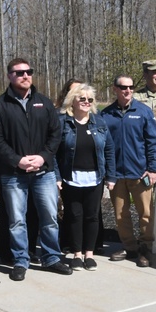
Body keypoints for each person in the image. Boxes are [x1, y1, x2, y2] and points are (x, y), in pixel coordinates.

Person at [0, 58, 70, 281]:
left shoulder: (44, 103)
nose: (26, 76)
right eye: (20, 72)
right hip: (13, 174)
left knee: (50, 217)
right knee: (16, 220)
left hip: (44, 173)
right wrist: (17, 161)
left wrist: (42, 158)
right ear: (9, 76)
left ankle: (52, 257)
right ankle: (20, 260)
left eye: (29, 72)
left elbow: (55, 135)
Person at [100, 74, 156, 268]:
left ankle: (145, 248)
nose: (128, 91)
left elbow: (152, 142)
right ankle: (130, 247)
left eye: (131, 87)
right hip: (116, 175)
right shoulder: (106, 114)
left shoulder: (143, 112)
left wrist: (152, 169)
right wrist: (106, 172)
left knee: (145, 213)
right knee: (120, 214)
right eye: (124, 87)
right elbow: (101, 146)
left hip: (139, 173)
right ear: (115, 89)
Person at [55, 84, 115, 271]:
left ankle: (89, 254)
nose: (87, 102)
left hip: (95, 178)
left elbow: (109, 149)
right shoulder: (62, 122)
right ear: (72, 100)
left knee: (92, 216)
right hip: (71, 178)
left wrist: (110, 176)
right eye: (82, 99)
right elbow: (53, 152)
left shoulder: (99, 122)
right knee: (74, 216)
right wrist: (57, 176)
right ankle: (76, 254)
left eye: (90, 99)